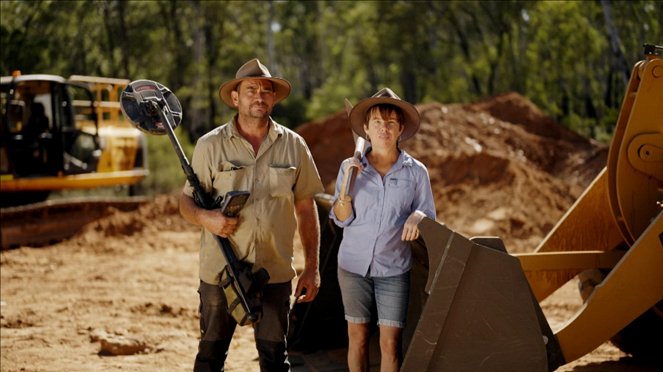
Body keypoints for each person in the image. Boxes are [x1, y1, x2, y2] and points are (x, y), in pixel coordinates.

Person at [179, 58, 324, 372]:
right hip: (220, 272)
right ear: (235, 98)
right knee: (210, 358)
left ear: (273, 98)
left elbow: (305, 206)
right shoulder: (209, 146)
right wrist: (207, 219)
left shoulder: (294, 146)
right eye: (250, 90)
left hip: (274, 272)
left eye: (266, 90)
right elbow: (186, 203)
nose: (259, 96)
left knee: (275, 360)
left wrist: (312, 268)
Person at [330, 88, 436, 372]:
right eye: (376, 121)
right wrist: (345, 188)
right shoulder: (349, 167)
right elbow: (340, 219)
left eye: (390, 122)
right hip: (352, 266)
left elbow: (429, 214)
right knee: (359, 339)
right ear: (366, 128)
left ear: (401, 128)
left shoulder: (416, 172)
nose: (383, 128)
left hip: (393, 268)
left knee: (390, 344)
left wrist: (417, 216)